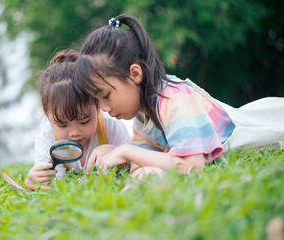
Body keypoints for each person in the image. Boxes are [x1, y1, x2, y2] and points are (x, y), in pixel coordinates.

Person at [73, 14, 284, 178]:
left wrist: (125, 151)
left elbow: (192, 164)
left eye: (106, 96)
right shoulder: (142, 115)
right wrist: (114, 152)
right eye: (97, 100)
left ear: (135, 74)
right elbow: (147, 162)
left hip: (271, 125)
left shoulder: (173, 99)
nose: (104, 109)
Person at [25, 49, 131, 190]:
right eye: (63, 125)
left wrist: (115, 152)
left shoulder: (110, 126)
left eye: (84, 121)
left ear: (98, 105)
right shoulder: (47, 137)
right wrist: (34, 181)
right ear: (47, 115)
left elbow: (131, 164)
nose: (74, 132)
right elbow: (52, 181)